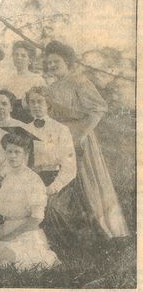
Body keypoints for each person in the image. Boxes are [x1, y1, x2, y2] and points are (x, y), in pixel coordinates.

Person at [45, 40, 128, 239]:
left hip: (79, 138)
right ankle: (73, 232)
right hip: (59, 138)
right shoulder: (52, 86)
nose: (52, 65)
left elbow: (98, 110)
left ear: (67, 62)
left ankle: (102, 230)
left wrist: (81, 135)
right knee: (64, 181)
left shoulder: (78, 81)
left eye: (56, 61)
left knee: (86, 181)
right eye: (49, 62)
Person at [0, 130, 59, 270]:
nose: (12, 156)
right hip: (6, 230)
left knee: (3, 253)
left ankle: (40, 256)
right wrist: (0, 230)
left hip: (27, 234)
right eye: (9, 151)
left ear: (26, 154)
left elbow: (36, 219)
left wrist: (11, 236)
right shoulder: (6, 174)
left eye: (17, 152)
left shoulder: (33, 180)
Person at [25, 86, 77, 246]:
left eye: (40, 101)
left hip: (56, 178)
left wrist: (53, 187)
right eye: (32, 102)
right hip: (32, 178)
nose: (36, 105)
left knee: (51, 208)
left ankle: (59, 247)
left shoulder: (60, 129)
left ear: (48, 104)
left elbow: (69, 166)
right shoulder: (25, 129)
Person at [2, 40, 46, 123]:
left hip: (32, 120)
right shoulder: (7, 80)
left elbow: (44, 105)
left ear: (30, 60)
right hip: (12, 121)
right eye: (16, 54)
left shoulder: (37, 79)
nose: (19, 58)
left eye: (23, 55)